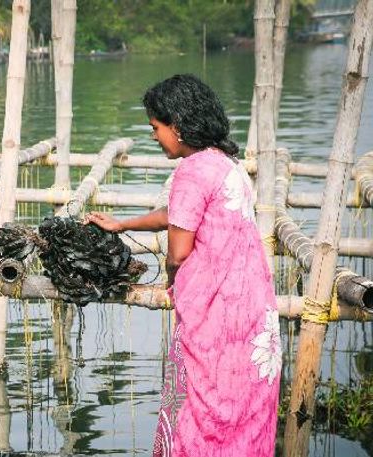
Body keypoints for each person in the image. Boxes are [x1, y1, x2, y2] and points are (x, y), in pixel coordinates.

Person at [85, 74, 281, 456]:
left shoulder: (191, 171)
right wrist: (123, 223)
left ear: (176, 125)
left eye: (156, 128)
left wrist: (172, 282)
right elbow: (180, 214)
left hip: (215, 318)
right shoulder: (226, 165)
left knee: (200, 413)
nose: (155, 137)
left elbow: (178, 250)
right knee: (243, 411)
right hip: (254, 314)